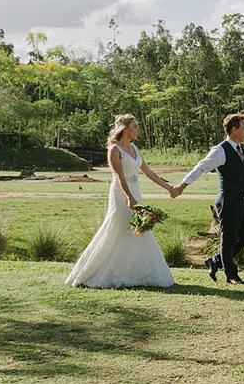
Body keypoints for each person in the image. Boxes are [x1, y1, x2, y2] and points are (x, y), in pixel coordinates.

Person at [65, 114, 175, 288]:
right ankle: (97, 271)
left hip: (136, 192)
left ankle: (136, 272)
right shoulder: (114, 150)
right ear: (125, 129)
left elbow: (148, 172)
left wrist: (169, 188)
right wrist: (129, 197)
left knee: (138, 230)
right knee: (118, 228)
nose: (137, 129)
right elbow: (119, 177)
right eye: (135, 126)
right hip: (121, 194)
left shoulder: (135, 148)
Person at [170, 112, 244, 285]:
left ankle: (215, 261)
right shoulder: (220, 150)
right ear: (234, 129)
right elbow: (200, 168)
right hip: (228, 202)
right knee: (228, 240)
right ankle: (231, 275)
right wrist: (181, 186)